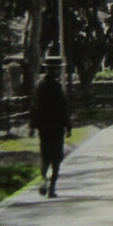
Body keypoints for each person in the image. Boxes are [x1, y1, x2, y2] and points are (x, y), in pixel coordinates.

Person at [32, 70, 72, 198]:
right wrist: (68, 127)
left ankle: (43, 180)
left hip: (43, 128)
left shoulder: (39, 87)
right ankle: (52, 188)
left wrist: (32, 126)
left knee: (45, 156)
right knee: (56, 158)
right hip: (57, 128)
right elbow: (63, 108)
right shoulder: (58, 87)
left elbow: (34, 108)